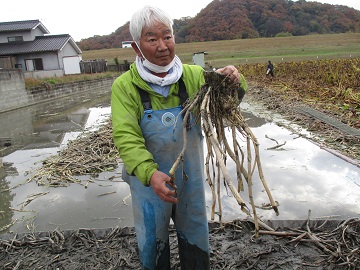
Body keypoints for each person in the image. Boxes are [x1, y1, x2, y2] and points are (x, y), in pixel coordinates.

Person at [111, 6, 247, 269]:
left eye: (167, 36)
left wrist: (234, 81)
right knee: (152, 243)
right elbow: (126, 137)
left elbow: (229, 104)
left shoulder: (194, 76)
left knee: (196, 237)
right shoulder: (125, 86)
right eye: (152, 39)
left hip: (191, 179)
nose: (162, 46)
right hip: (148, 184)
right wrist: (150, 174)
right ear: (137, 48)